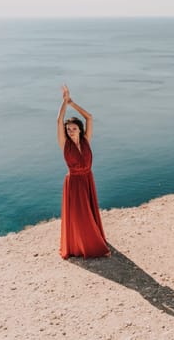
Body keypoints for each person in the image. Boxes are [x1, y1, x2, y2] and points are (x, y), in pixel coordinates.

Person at [57, 85, 110, 259]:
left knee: (89, 213)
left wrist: (72, 102)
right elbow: (59, 121)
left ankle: (90, 240)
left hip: (87, 179)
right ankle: (84, 246)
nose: (70, 131)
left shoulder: (87, 140)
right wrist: (63, 103)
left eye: (73, 128)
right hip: (74, 183)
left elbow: (89, 117)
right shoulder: (65, 145)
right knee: (79, 216)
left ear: (80, 129)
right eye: (68, 129)